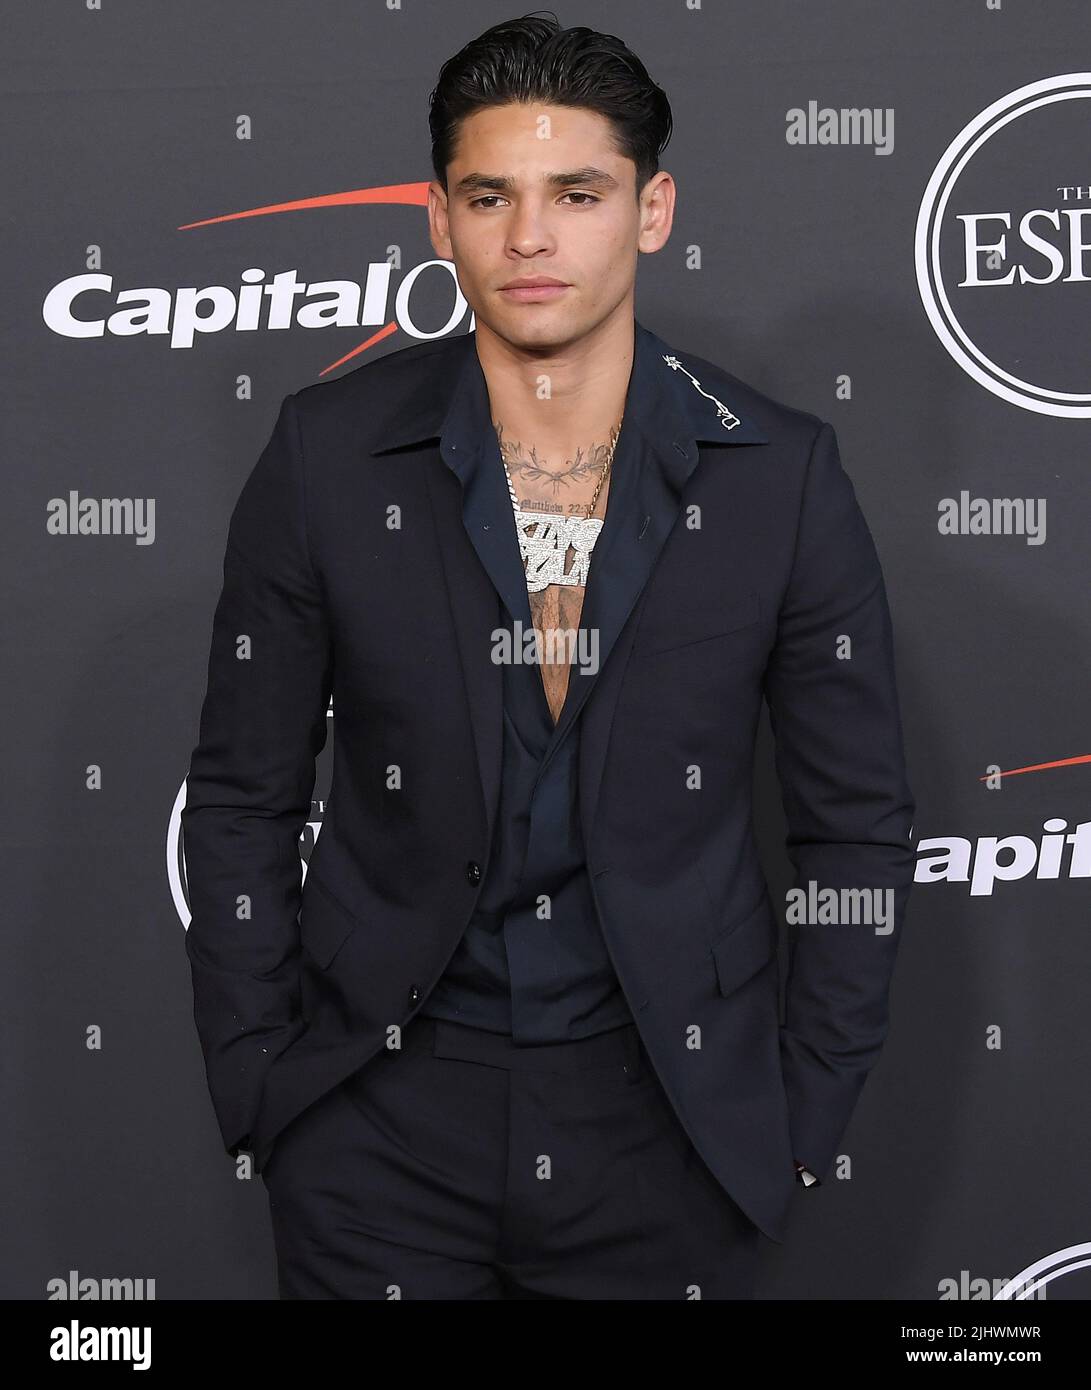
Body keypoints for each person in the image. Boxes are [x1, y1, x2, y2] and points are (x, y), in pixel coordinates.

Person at [182, 13, 916, 1300]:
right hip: (379, 1125)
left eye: (576, 193)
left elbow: (855, 828)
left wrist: (793, 1124)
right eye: (490, 195)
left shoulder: (780, 476)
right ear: (436, 218)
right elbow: (242, 797)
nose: (530, 237)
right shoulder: (325, 456)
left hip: (671, 1124)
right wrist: (266, 1086)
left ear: (650, 209)